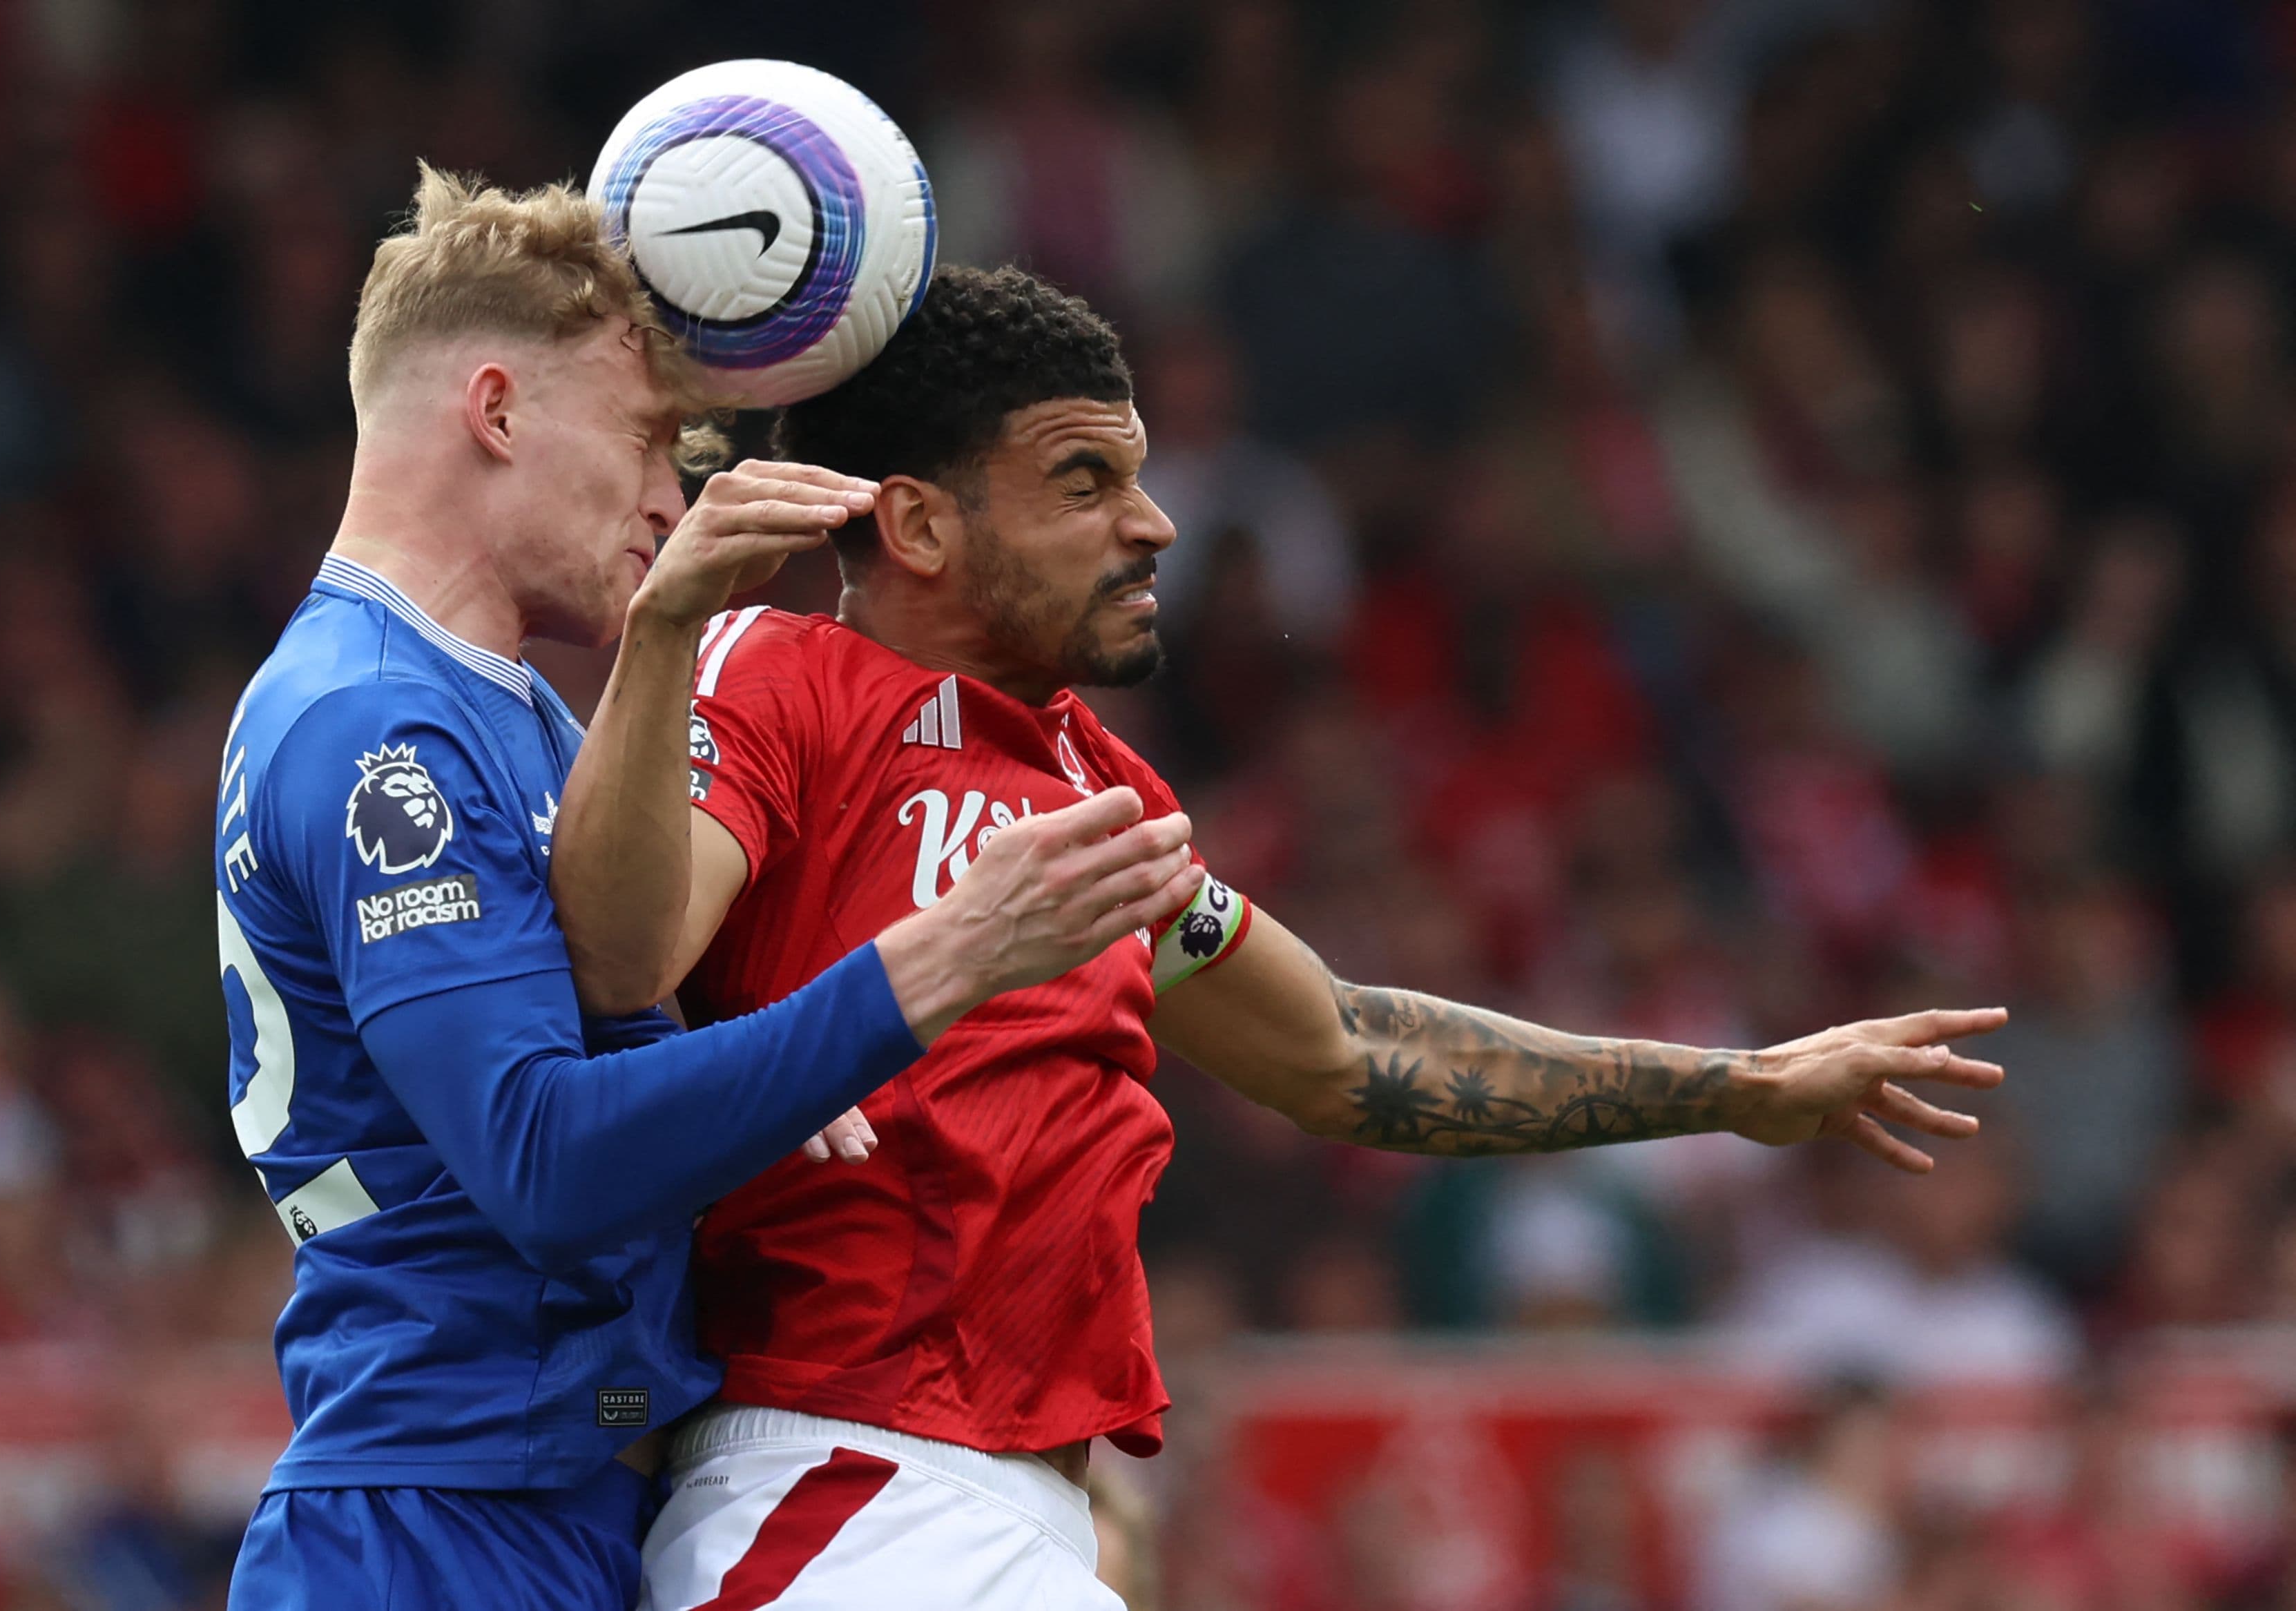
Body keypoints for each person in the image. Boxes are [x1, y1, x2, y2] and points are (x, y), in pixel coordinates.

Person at [548, 264, 2007, 1611]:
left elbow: (1341, 1050)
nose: (1152, 520)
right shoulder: (787, 675)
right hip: (844, 1487)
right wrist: (668, 632)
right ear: (920, 523)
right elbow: (621, 957)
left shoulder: (1098, 794)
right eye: (1083, 480)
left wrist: (1738, 1091)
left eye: (1134, 474)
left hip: (1012, 1514)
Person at [217, 176, 1202, 1611]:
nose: (672, 497)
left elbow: (598, 1064)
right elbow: (545, 1159)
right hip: (431, 1525)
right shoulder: (379, 731)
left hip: (551, 1508)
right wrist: (921, 973)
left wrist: (738, 1085)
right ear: (495, 411)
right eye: (643, 440)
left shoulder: (508, 718)